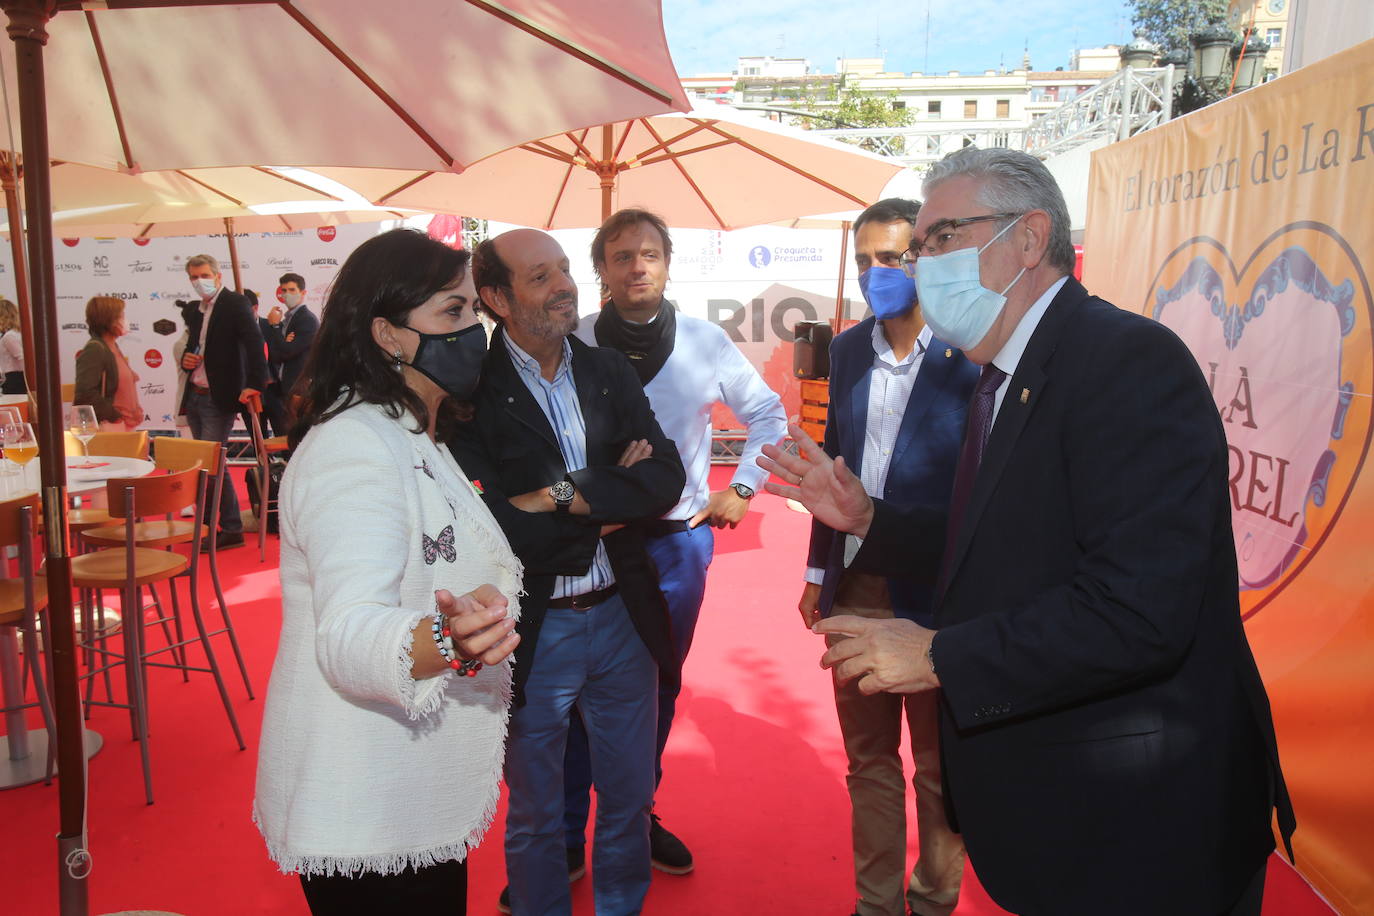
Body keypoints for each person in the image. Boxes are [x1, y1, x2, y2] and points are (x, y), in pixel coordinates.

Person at [761, 147, 1295, 916]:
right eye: (920, 248)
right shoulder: (1005, 371)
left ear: (1028, 237)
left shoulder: (1125, 362)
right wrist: (869, 519)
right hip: (1064, 814)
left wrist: (939, 651)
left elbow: (1141, 610)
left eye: (941, 237)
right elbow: (999, 539)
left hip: (1139, 829)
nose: (921, 263)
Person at [253, 229, 522, 916]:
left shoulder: (409, 429)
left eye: (474, 311)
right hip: (366, 805)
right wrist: (449, 640)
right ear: (388, 334)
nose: (474, 329)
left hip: (401, 792)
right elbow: (347, 633)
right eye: (452, 313)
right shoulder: (355, 447)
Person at [447, 228, 685, 916]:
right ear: (495, 298)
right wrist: (610, 493)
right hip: (533, 630)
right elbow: (493, 528)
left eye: (562, 270)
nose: (564, 287)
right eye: (539, 277)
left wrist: (557, 495)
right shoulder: (470, 396)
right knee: (536, 814)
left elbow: (664, 479)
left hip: (623, 619)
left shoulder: (607, 369)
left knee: (629, 799)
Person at [564, 208, 786, 875]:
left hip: (675, 543)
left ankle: (635, 815)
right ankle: (570, 830)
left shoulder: (704, 341)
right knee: (570, 688)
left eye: (651, 254)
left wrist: (743, 488)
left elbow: (768, 412)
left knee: (658, 683)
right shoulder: (569, 343)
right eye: (623, 255)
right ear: (601, 267)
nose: (637, 266)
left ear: (667, 263)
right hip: (583, 541)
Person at [800, 199, 975, 916]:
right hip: (855, 585)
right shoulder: (844, 352)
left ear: (926, 258)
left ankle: (932, 901)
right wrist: (818, 571)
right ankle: (875, 906)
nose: (879, 273)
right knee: (868, 763)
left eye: (894, 257)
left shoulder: (971, 356)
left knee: (937, 768)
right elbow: (833, 474)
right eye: (867, 260)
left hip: (940, 592)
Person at [178, 254, 269, 551]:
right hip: (195, 393)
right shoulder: (195, 310)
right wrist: (186, 359)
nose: (198, 281)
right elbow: (194, 345)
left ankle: (224, 528)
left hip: (219, 398)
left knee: (210, 465)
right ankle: (221, 527)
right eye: (193, 277)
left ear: (217, 276)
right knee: (208, 465)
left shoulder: (234, 303)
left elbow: (256, 342)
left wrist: (255, 383)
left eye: (203, 274)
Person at [73, 296, 144, 431]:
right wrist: (116, 416)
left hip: (124, 427)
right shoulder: (95, 349)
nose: (125, 320)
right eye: (121, 316)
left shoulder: (113, 346)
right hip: (109, 428)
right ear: (108, 320)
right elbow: (85, 394)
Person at [263, 271, 320, 399]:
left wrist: (275, 326)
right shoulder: (287, 319)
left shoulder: (307, 319)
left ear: (303, 293)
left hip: (300, 387)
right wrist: (283, 341)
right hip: (284, 385)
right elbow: (276, 355)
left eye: (292, 290)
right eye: (284, 290)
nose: (287, 294)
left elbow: (288, 351)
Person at [243, 289, 290, 438]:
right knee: (258, 440)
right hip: (249, 393)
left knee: (284, 437)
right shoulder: (233, 332)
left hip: (274, 391)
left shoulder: (272, 326)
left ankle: (287, 461)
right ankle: (263, 462)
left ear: (254, 308)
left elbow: (282, 354)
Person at [0, 299, 25, 394]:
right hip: (14, 378)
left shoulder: (9, 336)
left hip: (15, 379)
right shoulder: (13, 334)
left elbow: (21, 357)